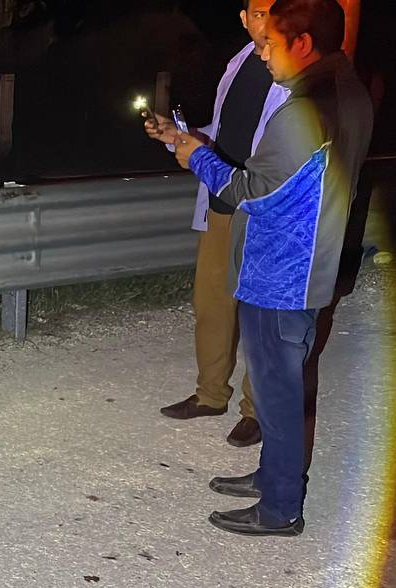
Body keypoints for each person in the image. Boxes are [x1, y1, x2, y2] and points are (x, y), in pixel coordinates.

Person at [174, 0, 373, 536]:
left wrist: (196, 155)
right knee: (280, 384)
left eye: (272, 44)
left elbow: (249, 190)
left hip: (282, 274)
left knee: (279, 394)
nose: (262, 54)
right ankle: (272, 477)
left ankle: (281, 506)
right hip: (300, 266)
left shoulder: (305, 111)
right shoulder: (347, 92)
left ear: (304, 43)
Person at [145, 0, 289, 448]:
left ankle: (256, 410)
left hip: (261, 206)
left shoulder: (293, 71)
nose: (265, 22)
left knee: (261, 315)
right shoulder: (241, 61)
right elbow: (225, 131)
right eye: (258, 12)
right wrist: (179, 137)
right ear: (244, 19)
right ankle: (210, 395)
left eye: (274, 12)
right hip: (221, 199)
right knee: (211, 304)